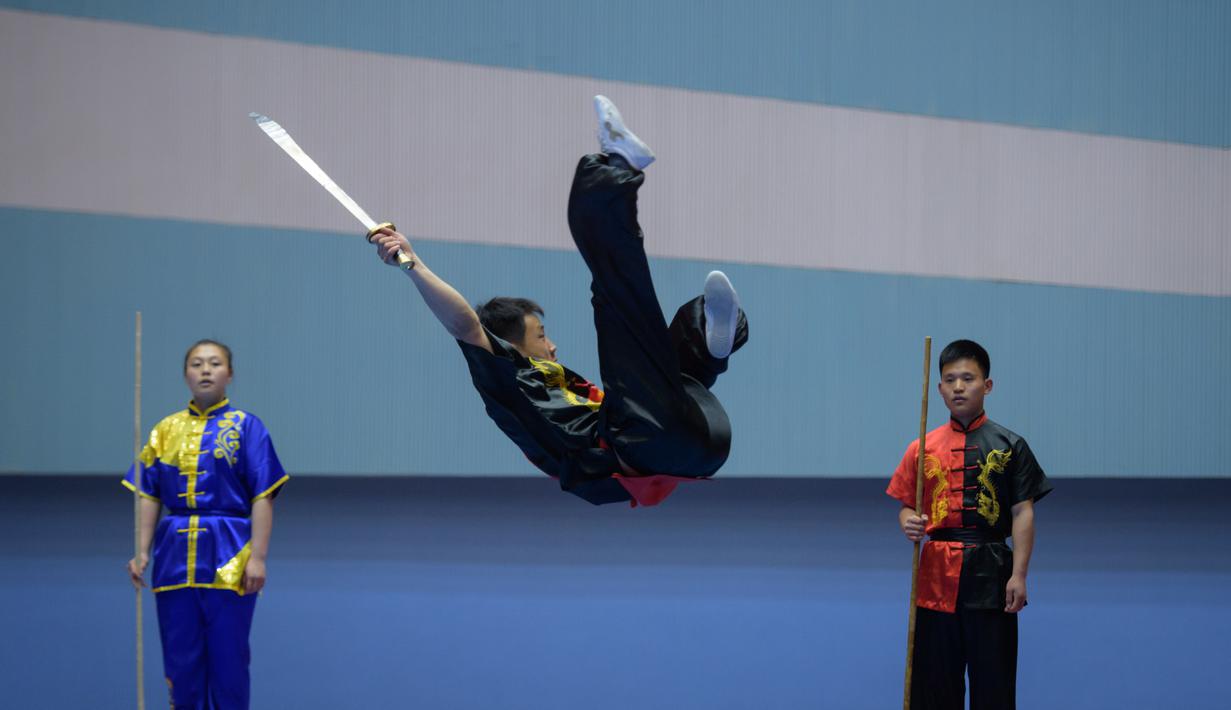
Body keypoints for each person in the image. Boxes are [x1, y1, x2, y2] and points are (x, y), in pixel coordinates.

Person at [369, 95, 748, 506]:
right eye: (541, 335)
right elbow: (465, 326)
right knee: (615, 300)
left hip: (697, 435)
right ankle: (615, 169)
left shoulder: (554, 381)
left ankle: (708, 345)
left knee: (655, 354)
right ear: (510, 344)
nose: (551, 346)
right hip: (643, 444)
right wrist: (413, 265)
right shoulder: (506, 378)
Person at [886, 339, 1053, 709]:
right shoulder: (921, 448)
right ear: (940, 389)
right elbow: (906, 506)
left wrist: (1020, 575)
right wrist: (909, 522)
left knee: (993, 682)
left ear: (987, 385)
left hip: (992, 573)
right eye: (950, 379)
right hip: (934, 578)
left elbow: (1023, 513)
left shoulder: (1011, 445)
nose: (959, 387)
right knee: (933, 682)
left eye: (968, 378)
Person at [124, 339, 289, 709]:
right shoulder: (164, 430)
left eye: (215, 363)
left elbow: (263, 493)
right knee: (181, 661)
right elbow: (148, 496)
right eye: (197, 363)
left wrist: (258, 557)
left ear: (229, 374)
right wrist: (141, 552)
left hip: (229, 553)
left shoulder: (247, 427)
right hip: (173, 555)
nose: (205, 370)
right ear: (185, 373)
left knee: (229, 660)